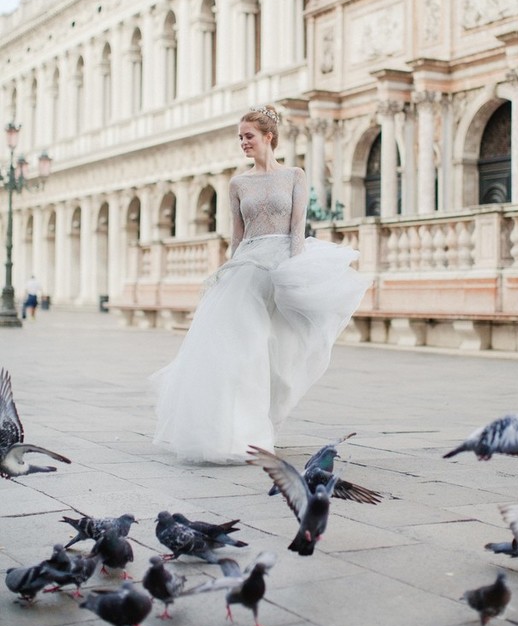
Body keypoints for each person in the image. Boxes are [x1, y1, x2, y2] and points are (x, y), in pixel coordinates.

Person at [151, 105, 369, 464]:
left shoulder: (295, 176)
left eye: (248, 136)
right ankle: (238, 433)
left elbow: (297, 229)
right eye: (240, 137)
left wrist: (295, 275)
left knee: (280, 359)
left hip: (283, 266)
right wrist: (229, 272)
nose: (243, 143)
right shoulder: (238, 183)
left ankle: (264, 424)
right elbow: (237, 237)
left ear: (269, 137)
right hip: (247, 271)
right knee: (242, 352)